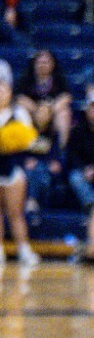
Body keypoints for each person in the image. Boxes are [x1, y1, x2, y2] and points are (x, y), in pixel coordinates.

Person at [0, 80, 39, 268]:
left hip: (13, 167)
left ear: (10, 93)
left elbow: (30, 141)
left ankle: (24, 250)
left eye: (3, 90)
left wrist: (12, 141)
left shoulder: (19, 114)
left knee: (15, 212)